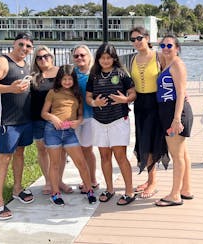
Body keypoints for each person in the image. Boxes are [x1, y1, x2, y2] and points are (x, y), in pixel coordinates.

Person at [0, 32, 35, 220]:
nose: (24, 49)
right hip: (7, 120)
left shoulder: (27, 65)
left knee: (20, 153)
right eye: (21, 44)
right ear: (14, 44)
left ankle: (17, 189)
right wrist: (10, 88)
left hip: (24, 120)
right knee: (5, 157)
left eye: (28, 46)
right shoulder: (2, 62)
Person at [86, 43, 137, 205]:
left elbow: (132, 93)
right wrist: (94, 102)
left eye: (108, 58)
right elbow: (88, 97)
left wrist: (126, 100)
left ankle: (129, 191)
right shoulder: (94, 75)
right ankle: (109, 189)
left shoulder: (121, 74)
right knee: (104, 156)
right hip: (99, 121)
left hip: (118, 120)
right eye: (102, 58)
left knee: (120, 156)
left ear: (114, 58)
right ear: (98, 59)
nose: (105, 61)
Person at [41, 64, 97, 206]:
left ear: (74, 80)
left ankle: (89, 189)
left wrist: (78, 122)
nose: (67, 82)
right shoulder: (53, 92)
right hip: (53, 132)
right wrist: (53, 118)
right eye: (64, 79)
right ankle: (55, 193)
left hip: (69, 132)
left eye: (69, 79)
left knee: (81, 162)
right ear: (59, 79)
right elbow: (44, 113)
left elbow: (79, 115)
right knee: (55, 164)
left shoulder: (77, 94)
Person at [128, 27, 169, 199]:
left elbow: (170, 77)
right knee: (143, 141)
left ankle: (153, 182)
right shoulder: (132, 59)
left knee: (154, 142)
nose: (136, 42)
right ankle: (149, 179)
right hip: (140, 104)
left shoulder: (159, 56)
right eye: (133, 40)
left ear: (147, 38)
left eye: (139, 38)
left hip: (156, 103)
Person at [155, 35, 194, 207]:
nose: (165, 47)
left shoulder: (177, 64)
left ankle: (175, 195)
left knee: (177, 155)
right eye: (162, 44)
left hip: (174, 113)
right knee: (183, 153)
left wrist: (176, 119)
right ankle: (186, 189)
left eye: (169, 45)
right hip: (169, 110)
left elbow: (180, 93)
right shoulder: (167, 62)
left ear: (177, 47)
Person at [29, 46, 73, 195]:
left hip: (58, 118)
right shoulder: (33, 76)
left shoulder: (61, 72)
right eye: (39, 57)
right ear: (36, 60)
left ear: (52, 57)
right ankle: (48, 181)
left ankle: (58, 180)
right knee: (42, 149)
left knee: (60, 151)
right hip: (37, 117)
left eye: (46, 56)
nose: (43, 59)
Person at [72, 45, 100, 192]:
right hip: (75, 118)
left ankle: (92, 180)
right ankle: (85, 179)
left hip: (91, 117)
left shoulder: (95, 73)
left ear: (89, 56)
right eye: (76, 56)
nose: (80, 58)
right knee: (78, 150)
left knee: (87, 149)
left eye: (83, 55)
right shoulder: (71, 73)